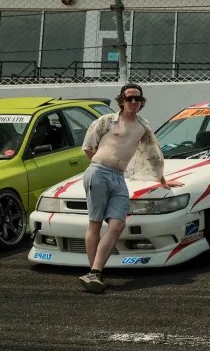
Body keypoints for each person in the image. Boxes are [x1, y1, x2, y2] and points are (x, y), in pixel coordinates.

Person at [78, 83, 182, 293]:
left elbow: (152, 154)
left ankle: (94, 272)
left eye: (137, 99)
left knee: (117, 224)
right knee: (95, 223)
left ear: (142, 102)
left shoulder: (143, 126)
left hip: (119, 178)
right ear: (121, 100)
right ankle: (94, 273)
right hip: (98, 172)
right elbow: (88, 146)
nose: (134, 102)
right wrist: (100, 165)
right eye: (129, 98)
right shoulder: (107, 121)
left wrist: (162, 180)